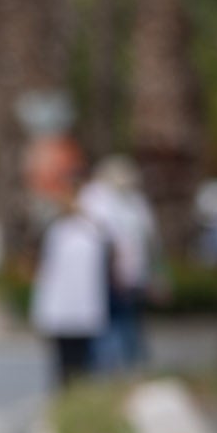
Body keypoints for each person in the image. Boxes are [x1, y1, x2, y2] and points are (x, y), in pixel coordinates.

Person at [78, 155, 158, 370]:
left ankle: (127, 371)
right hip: (105, 279)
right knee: (108, 328)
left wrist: (155, 275)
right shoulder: (95, 199)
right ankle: (107, 373)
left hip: (133, 277)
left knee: (129, 326)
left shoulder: (136, 202)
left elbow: (148, 241)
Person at [30, 178, 110, 389]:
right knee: (65, 363)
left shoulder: (91, 234)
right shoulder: (59, 231)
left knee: (81, 362)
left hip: (81, 309)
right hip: (64, 309)